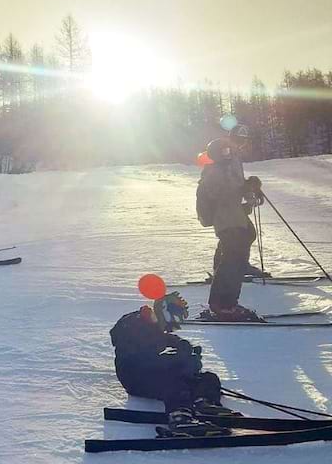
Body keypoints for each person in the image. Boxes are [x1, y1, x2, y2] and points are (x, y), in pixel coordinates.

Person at [110, 292, 233, 436]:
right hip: (134, 378)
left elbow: (162, 338)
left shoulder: (149, 324)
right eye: (174, 320)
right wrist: (179, 360)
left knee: (208, 378)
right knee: (175, 383)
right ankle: (180, 417)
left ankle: (205, 403)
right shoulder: (134, 328)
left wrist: (181, 346)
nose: (173, 326)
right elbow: (143, 362)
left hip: (146, 372)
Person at [197, 137, 264, 321]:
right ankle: (223, 305)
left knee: (244, 242)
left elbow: (235, 187)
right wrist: (244, 188)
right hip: (226, 219)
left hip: (234, 216)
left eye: (230, 150)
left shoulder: (229, 166)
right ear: (217, 154)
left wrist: (249, 187)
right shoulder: (213, 171)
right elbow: (219, 194)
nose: (229, 153)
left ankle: (223, 301)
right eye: (225, 151)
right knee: (234, 260)